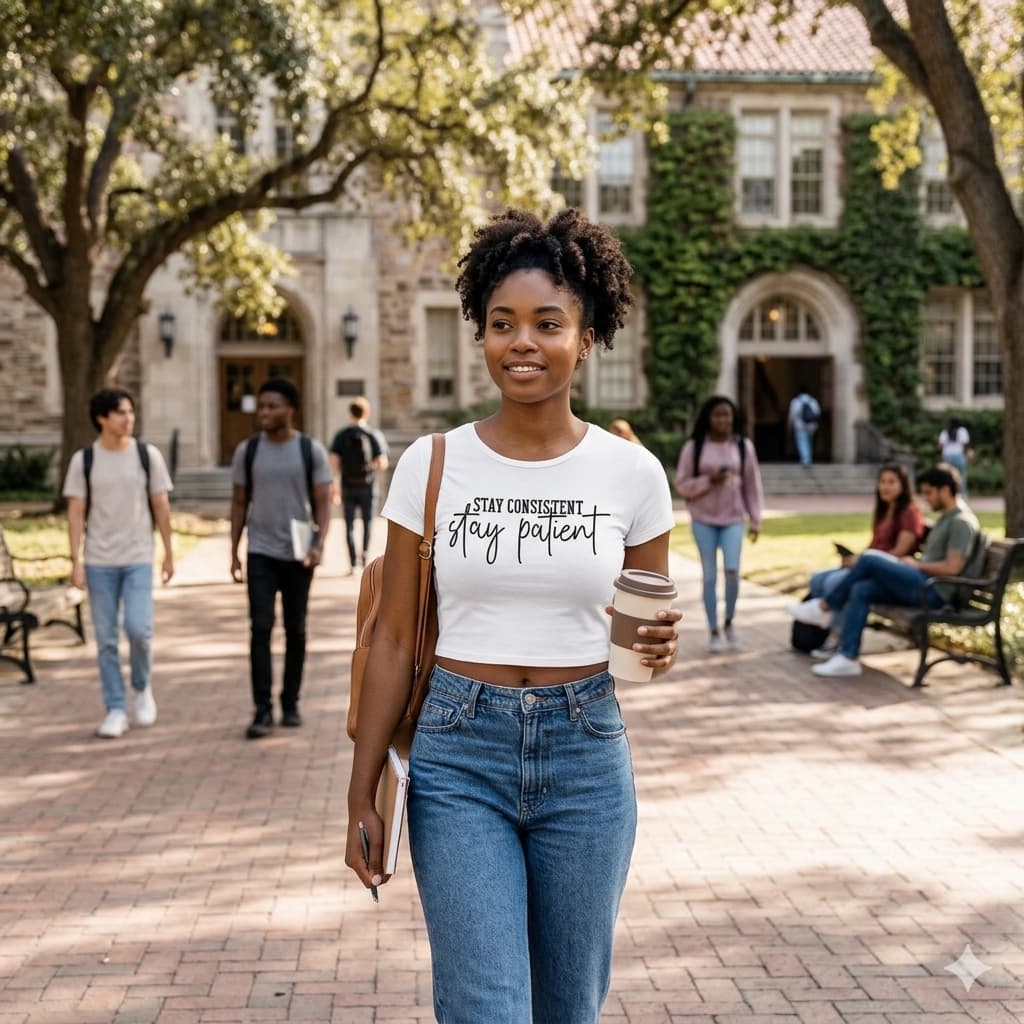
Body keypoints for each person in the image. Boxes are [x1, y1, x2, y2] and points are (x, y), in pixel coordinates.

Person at [344, 208, 681, 1023]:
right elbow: (393, 636)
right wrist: (362, 792)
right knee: (485, 1005)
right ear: (481, 334)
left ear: (587, 337)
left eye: (547, 323)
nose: (521, 341)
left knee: (569, 1007)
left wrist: (659, 647)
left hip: (587, 753)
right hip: (459, 753)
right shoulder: (431, 464)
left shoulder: (633, 474)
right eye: (502, 323)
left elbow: (641, 631)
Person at [788, 464, 980, 678]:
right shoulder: (946, 518)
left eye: (929, 493)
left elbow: (953, 568)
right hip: (920, 582)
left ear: (945, 490)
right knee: (861, 589)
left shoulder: (961, 522)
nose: (926, 499)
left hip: (933, 592)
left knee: (870, 559)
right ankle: (847, 657)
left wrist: (917, 565)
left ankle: (825, 607)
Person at [63, 388, 174, 738]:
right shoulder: (84, 460)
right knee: (107, 641)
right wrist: (75, 561)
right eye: (120, 413)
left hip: (138, 558)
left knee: (139, 632)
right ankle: (114, 708)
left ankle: (141, 688)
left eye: (131, 412)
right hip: (99, 562)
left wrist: (169, 552)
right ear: (102, 418)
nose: (129, 419)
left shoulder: (147, 455)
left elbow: (161, 505)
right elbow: (76, 511)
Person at [229, 377, 332, 739]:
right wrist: (234, 551)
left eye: (272, 406)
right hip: (260, 551)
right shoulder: (248, 450)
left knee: (296, 630)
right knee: (260, 629)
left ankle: (290, 703)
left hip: (298, 552)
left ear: (291, 409)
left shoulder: (309, 450)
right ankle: (261, 710)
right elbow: (240, 501)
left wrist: (319, 544)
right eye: (261, 406)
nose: (264, 413)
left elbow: (323, 500)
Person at [793, 462, 925, 659]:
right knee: (817, 579)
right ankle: (826, 623)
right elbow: (873, 547)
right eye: (882, 482)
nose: (885, 487)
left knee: (838, 583)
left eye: (891, 482)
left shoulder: (909, 513)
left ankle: (836, 635)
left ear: (903, 486)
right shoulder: (883, 511)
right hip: (869, 564)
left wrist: (862, 561)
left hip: (887, 571)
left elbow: (898, 552)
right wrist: (855, 558)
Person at [675, 395, 764, 653]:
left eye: (727, 415)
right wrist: (708, 481)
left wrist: (755, 518)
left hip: (733, 519)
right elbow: (682, 485)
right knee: (710, 576)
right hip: (703, 520)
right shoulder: (695, 447)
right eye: (718, 415)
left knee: (733, 572)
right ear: (708, 418)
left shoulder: (743, 447)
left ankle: (729, 622)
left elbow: (752, 485)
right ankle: (713, 630)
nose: (723, 420)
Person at [329, 397, 389, 573]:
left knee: (349, 525)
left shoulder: (341, 435)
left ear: (350, 413)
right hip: (367, 485)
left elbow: (333, 462)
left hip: (347, 485)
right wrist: (370, 467)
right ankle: (364, 558)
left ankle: (353, 563)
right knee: (368, 522)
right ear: (367, 413)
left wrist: (335, 486)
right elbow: (382, 462)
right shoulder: (373, 435)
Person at [938, 415, 972, 498]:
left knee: (948, 476)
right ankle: (963, 495)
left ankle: (949, 495)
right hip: (959, 456)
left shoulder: (945, 432)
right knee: (961, 477)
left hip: (947, 456)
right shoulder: (962, 431)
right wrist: (967, 455)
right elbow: (965, 445)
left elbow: (940, 446)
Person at [788, 390, 821, 466]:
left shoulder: (795, 402)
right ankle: (808, 458)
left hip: (799, 426)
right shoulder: (813, 401)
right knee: (809, 442)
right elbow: (817, 413)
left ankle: (805, 459)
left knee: (802, 442)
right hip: (811, 426)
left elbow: (792, 415)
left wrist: (790, 424)